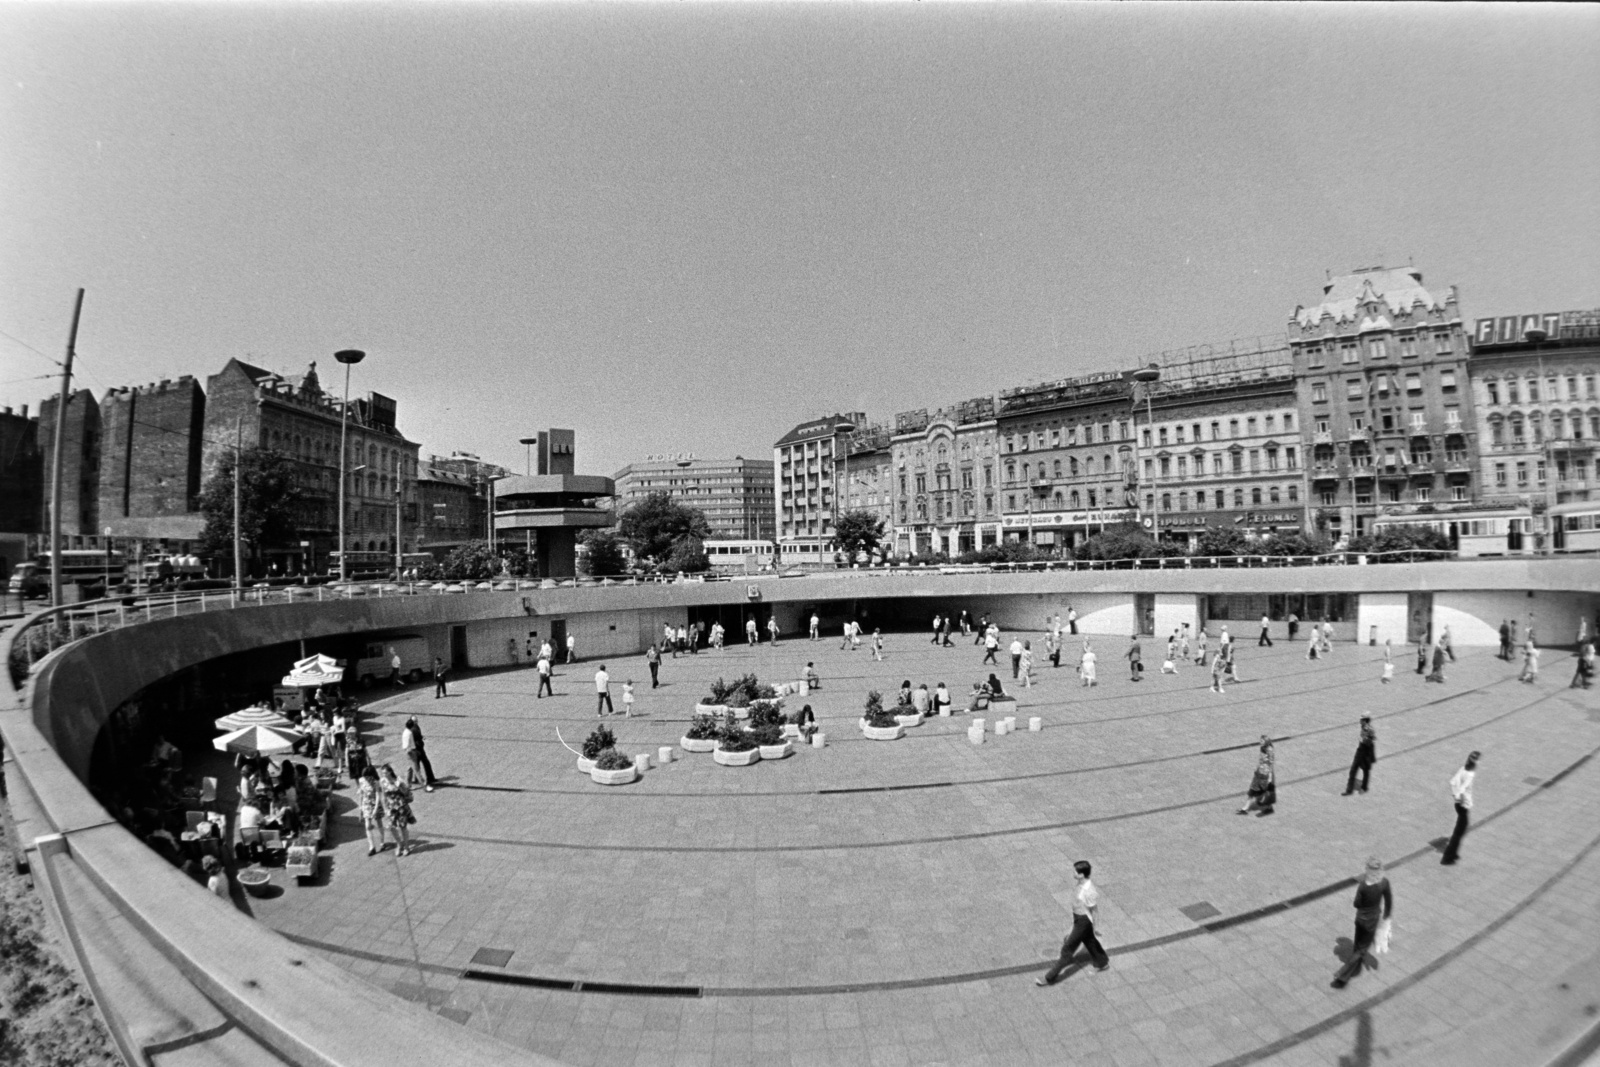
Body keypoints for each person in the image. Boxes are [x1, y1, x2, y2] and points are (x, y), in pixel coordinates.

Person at [1035, 860, 1110, 984]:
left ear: (1081, 875)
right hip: (1079, 919)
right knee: (1090, 941)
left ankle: (1049, 977)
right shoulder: (1081, 884)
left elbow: (1094, 909)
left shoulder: (1089, 891)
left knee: (1067, 950)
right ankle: (1102, 962)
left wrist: (1094, 926)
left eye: (1075, 871)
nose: (1073, 873)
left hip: (1083, 921)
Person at [1330, 857, 1393, 989]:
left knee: (1358, 945)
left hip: (1360, 920)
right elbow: (1388, 901)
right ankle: (1348, 971)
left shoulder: (1363, 885)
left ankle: (1349, 970)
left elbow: (1356, 904)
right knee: (1361, 948)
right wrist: (1386, 916)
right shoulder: (1384, 883)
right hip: (1372, 920)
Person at [1441, 751, 1479, 864]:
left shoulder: (1463, 769)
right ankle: (1447, 857)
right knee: (1458, 833)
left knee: (1459, 830)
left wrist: (1455, 797)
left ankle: (1453, 853)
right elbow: (1462, 789)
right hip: (1463, 806)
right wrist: (1461, 799)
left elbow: (1452, 782)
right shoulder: (1470, 774)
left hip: (1458, 804)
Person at [379, 764, 414, 857]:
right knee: (391, 827)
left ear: (390, 772)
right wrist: (385, 808)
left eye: (385, 773)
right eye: (383, 773)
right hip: (391, 808)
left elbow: (407, 793)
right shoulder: (382, 781)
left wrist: (403, 797)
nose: (384, 775)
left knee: (403, 827)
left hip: (401, 807)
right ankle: (399, 844)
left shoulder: (398, 781)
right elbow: (383, 795)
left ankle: (406, 847)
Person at [1237, 736, 1275, 814]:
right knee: (1253, 790)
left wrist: (1270, 777)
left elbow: (1271, 764)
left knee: (1263, 791)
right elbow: (1261, 761)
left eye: (1262, 741)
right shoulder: (1262, 748)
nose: (1260, 742)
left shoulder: (1270, 750)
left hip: (1265, 774)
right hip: (1259, 773)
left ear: (1266, 742)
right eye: (1260, 740)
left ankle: (1269, 807)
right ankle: (1245, 809)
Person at [402, 716, 436, 792]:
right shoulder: (409, 733)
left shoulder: (409, 731)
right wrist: (413, 751)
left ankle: (407, 785)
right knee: (417, 770)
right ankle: (425, 786)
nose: (416, 723)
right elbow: (406, 746)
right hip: (413, 752)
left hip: (414, 751)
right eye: (415, 722)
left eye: (416, 721)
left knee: (410, 769)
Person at [1343, 717, 1376, 795]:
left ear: (1365, 721)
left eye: (1361, 720)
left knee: (1365, 770)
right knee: (1353, 769)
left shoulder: (1370, 729)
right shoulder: (1364, 727)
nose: (1360, 721)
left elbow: (1370, 742)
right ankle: (1349, 790)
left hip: (1365, 751)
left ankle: (1364, 788)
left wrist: (1365, 740)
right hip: (1360, 750)